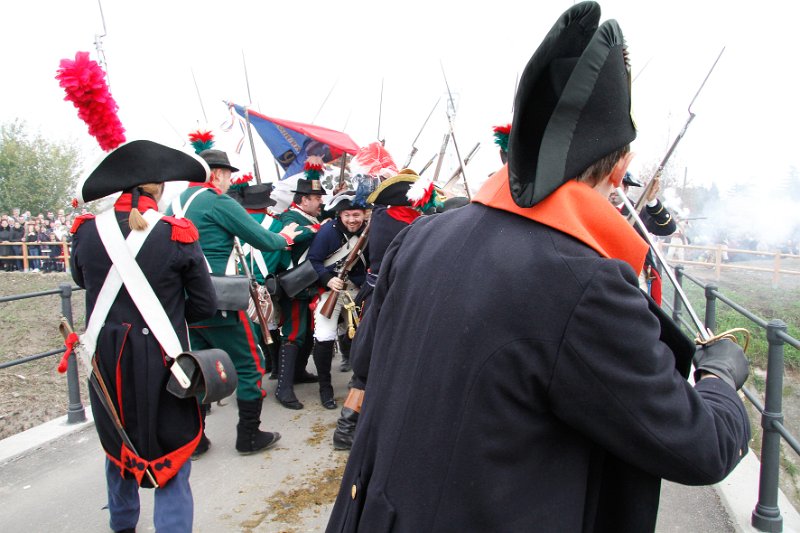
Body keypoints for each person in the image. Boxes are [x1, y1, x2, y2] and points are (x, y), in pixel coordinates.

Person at [326, 3, 750, 532]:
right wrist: (719, 377)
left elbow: (366, 357)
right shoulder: (587, 285)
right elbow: (700, 447)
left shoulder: (423, 235)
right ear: (620, 166)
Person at [69, 140, 217, 533]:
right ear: (159, 188)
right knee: (172, 452)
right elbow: (205, 305)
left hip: (106, 358)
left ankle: (122, 525)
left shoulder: (86, 232)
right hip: (164, 360)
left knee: (117, 444)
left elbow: (81, 279)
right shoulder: (176, 233)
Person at [166, 149, 301, 455]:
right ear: (217, 174)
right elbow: (264, 240)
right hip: (220, 299)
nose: (230, 182)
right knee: (250, 365)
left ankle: (194, 439)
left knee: (196, 367)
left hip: (182, 301)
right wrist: (286, 236)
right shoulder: (216, 201)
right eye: (228, 175)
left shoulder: (172, 203)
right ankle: (249, 436)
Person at [331, 169, 431, 450]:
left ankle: (354, 426)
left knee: (368, 367)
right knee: (372, 366)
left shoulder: (384, 218)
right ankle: (348, 429)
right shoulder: (404, 224)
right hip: (390, 301)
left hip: (379, 297)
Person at [307, 190, 369, 409]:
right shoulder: (328, 231)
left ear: (364, 214)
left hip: (358, 292)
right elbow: (313, 260)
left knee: (363, 336)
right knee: (324, 336)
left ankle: (359, 382)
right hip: (331, 290)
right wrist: (327, 279)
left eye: (356, 215)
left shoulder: (370, 232)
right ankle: (325, 387)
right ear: (340, 215)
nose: (352, 220)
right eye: (347, 215)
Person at [274, 158, 327, 410]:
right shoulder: (290, 217)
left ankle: (298, 372)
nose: (320, 202)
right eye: (316, 198)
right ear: (303, 200)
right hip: (295, 284)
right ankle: (283, 388)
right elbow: (291, 236)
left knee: (306, 334)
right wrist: (317, 231)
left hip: (309, 283)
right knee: (293, 334)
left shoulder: (311, 217)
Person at [610, 171, 677, 304]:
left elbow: (668, 227)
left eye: (617, 185)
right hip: (605, 269)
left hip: (635, 270)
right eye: (610, 184)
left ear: (626, 188)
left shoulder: (639, 212)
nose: (613, 189)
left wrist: (652, 201)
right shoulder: (597, 208)